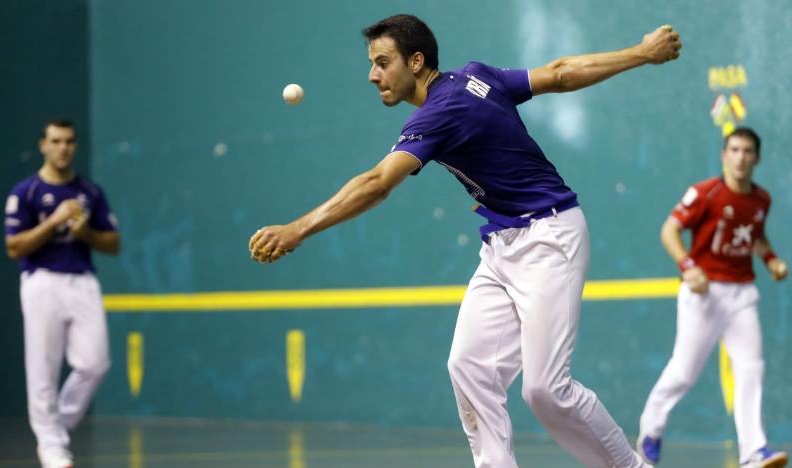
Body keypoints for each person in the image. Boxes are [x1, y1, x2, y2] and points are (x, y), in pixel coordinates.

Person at [248, 14, 681, 467]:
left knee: (545, 390)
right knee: (470, 367)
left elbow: (378, 183)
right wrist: (641, 53)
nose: (373, 74)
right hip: (502, 245)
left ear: (416, 62)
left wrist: (299, 228)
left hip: (550, 237)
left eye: (382, 61)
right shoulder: (476, 76)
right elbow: (558, 73)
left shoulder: (439, 113)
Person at [635, 127, 788, 468]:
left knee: (751, 369)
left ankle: (753, 451)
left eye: (748, 151)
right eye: (734, 150)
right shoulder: (705, 193)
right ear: (724, 155)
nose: (741, 157)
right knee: (684, 372)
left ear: (757, 159)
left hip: (742, 294)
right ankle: (650, 430)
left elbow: (755, 236)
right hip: (703, 295)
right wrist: (688, 266)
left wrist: (771, 259)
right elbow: (669, 230)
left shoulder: (762, 200)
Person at [4, 119, 121, 468]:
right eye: (55, 141)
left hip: (82, 280)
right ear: (43, 145)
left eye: (69, 141)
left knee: (95, 363)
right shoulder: (25, 192)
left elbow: (113, 243)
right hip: (41, 281)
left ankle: (57, 428)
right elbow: (14, 247)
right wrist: (53, 222)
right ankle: (52, 447)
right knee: (43, 367)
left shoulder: (91, 192)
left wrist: (85, 232)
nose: (63, 148)